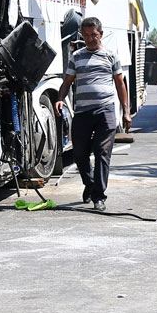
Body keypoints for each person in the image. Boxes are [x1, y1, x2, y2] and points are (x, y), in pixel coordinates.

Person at [55, 16, 131, 212]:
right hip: (82, 112)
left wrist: (126, 112)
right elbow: (67, 81)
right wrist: (60, 98)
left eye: (94, 35)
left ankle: (99, 196)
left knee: (102, 153)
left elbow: (120, 85)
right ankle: (89, 184)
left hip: (105, 111)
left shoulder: (111, 56)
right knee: (79, 154)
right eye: (86, 35)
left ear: (101, 34)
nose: (90, 39)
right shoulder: (77, 56)